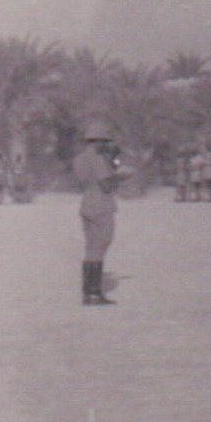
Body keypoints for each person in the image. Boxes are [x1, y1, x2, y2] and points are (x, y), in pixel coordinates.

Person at [73, 120, 129, 307]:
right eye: (105, 141)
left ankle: (87, 291)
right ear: (100, 140)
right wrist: (120, 177)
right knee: (101, 246)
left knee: (90, 248)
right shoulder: (98, 158)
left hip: (87, 202)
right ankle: (94, 292)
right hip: (101, 204)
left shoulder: (80, 158)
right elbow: (106, 184)